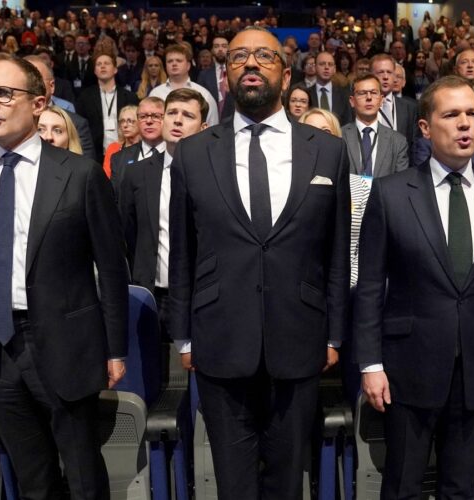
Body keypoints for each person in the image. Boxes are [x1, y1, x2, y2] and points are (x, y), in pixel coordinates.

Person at [168, 27, 350, 499]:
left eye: (264, 56)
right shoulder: (191, 153)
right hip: (220, 338)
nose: (251, 64)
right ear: (225, 76)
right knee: (233, 481)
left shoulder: (327, 150)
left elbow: (336, 250)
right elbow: (183, 252)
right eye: (239, 57)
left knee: (289, 479)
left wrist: (334, 334)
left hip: (301, 335)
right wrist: (184, 335)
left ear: (286, 74)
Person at [0, 52, 129, 499]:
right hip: (1, 350)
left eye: (4, 93)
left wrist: (114, 347)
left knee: (84, 474)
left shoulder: (79, 173)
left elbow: (110, 267)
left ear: (39, 102)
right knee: (31, 478)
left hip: (67, 345)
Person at [354, 74, 474, 499]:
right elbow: (371, 285)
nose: (465, 123)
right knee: (404, 485)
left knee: (462, 488)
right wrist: (370, 364)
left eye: (471, 113)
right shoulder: (391, 194)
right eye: (451, 115)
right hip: (407, 365)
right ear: (426, 128)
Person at [119, 88, 208, 336]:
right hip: (150, 292)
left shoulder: (215, 175)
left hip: (199, 293)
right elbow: (128, 235)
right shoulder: (137, 174)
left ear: (204, 127)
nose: (177, 120)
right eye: (171, 113)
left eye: (188, 115)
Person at [341, 73, 409, 178]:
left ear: (381, 100)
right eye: (362, 93)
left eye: (373, 92)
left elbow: (401, 183)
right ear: (352, 101)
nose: (369, 97)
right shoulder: (339, 136)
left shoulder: (398, 141)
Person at [76, 52, 139, 163]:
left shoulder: (130, 97)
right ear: (95, 71)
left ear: (115, 69)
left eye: (106, 63)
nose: (103, 66)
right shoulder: (85, 97)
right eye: (99, 64)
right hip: (96, 153)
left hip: (125, 150)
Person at [149, 44, 219, 126]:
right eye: (170, 61)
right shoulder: (155, 94)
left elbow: (212, 127)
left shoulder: (203, 94)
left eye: (179, 60)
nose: (174, 64)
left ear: (188, 66)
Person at [109, 97, 166, 196]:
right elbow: (114, 198)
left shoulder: (179, 154)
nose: (149, 121)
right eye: (143, 116)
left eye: (156, 116)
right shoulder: (119, 158)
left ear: (166, 119)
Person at [307, 51, 353, 125]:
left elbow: (348, 123)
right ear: (315, 68)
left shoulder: (345, 94)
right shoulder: (306, 93)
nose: (326, 67)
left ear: (334, 69)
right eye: (322, 64)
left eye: (330, 64)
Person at [103, 105, 140, 178]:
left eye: (130, 121)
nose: (125, 125)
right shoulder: (113, 148)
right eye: (122, 121)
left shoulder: (146, 148)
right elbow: (106, 178)